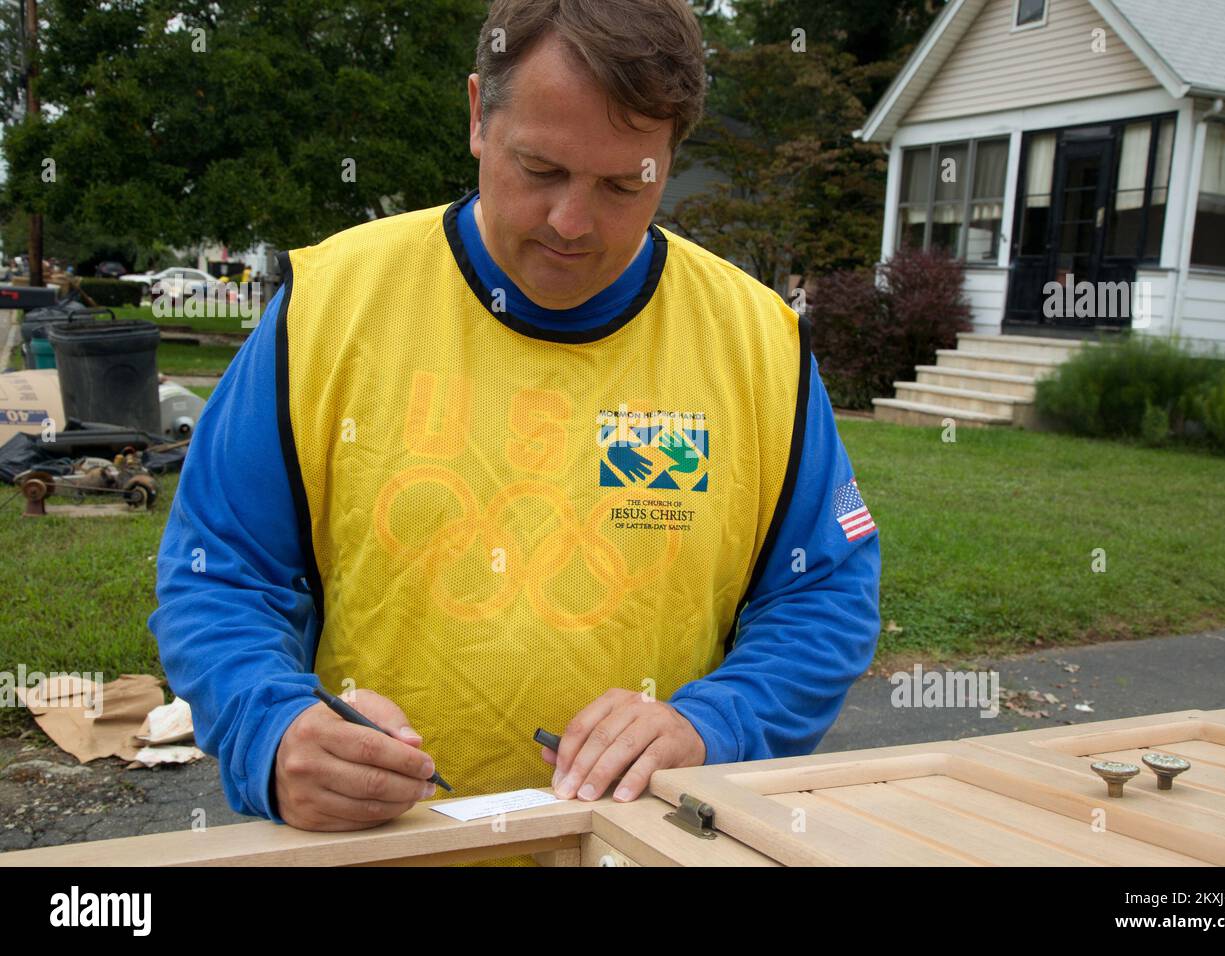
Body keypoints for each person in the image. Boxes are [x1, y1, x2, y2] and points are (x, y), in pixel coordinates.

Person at [150, 0, 881, 837]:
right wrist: (271, 728)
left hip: (639, 852)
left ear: (671, 156)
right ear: (476, 116)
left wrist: (714, 723)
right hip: (377, 855)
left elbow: (823, 590)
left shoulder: (758, 341)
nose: (573, 223)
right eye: (539, 170)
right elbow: (218, 571)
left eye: (621, 184)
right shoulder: (331, 306)